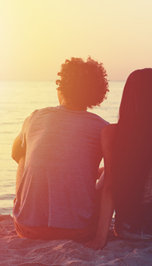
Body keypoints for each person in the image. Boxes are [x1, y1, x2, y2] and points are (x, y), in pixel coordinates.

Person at [85, 69, 152, 250]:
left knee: (108, 174)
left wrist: (100, 239)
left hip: (128, 229)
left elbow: (109, 187)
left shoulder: (109, 134)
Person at [12, 57, 109, 240]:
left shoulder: (35, 117)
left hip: (26, 229)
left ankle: (25, 206)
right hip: (79, 230)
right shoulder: (103, 128)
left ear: (61, 87)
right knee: (112, 169)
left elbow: (15, 152)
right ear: (96, 92)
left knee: (22, 155)